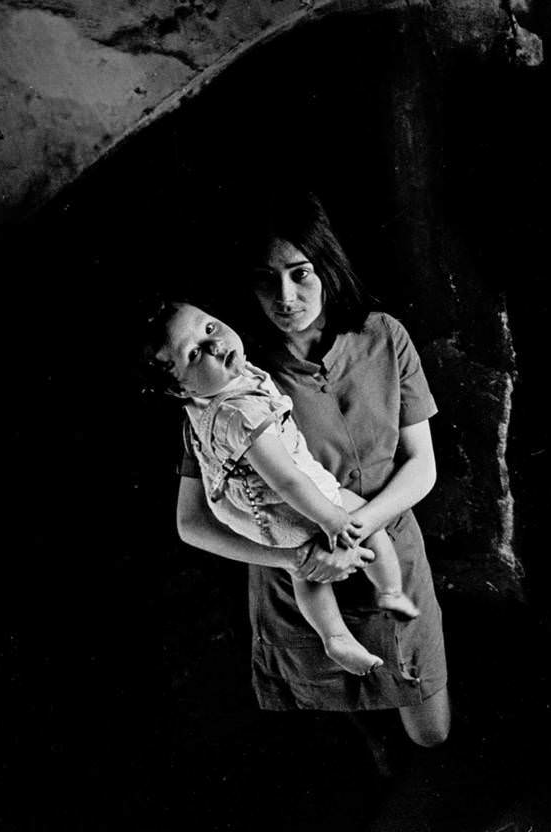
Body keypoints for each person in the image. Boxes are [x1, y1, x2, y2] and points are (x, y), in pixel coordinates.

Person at [172, 192, 450, 747]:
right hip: (297, 575)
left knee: (430, 730)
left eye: (301, 274)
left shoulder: (383, 336)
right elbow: (191, 521)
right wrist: (298, 555)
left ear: (328, 266)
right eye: (264, 279)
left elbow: (421, 466)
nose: (286, 297)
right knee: (330, 719)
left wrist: (356, 528)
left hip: (388, 549)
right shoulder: (230, 379)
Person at [146, 301, 420, 676]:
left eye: (210, 329)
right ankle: (390, 591)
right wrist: (333, 520)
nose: (215, 346)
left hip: (255, 519)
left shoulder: (202, 406)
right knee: (368, 527)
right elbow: (288, 480)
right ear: (179, 389)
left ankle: (333, 636)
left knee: (304, 571)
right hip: (285, 501)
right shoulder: (241, 414)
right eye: (194, 354)